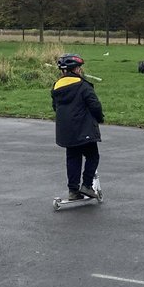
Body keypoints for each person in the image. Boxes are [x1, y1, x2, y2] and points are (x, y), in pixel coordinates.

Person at [51, 54, 104, 200]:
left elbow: (55, 107)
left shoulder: (56, 86)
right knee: (93, 156)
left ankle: (73, 191)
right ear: (76, 69)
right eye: (79, 67)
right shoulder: (83, 86)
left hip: (66, 131)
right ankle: (87, 185)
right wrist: (99, 118)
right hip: (84, 129)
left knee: (73, 158)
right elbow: (94, 105)